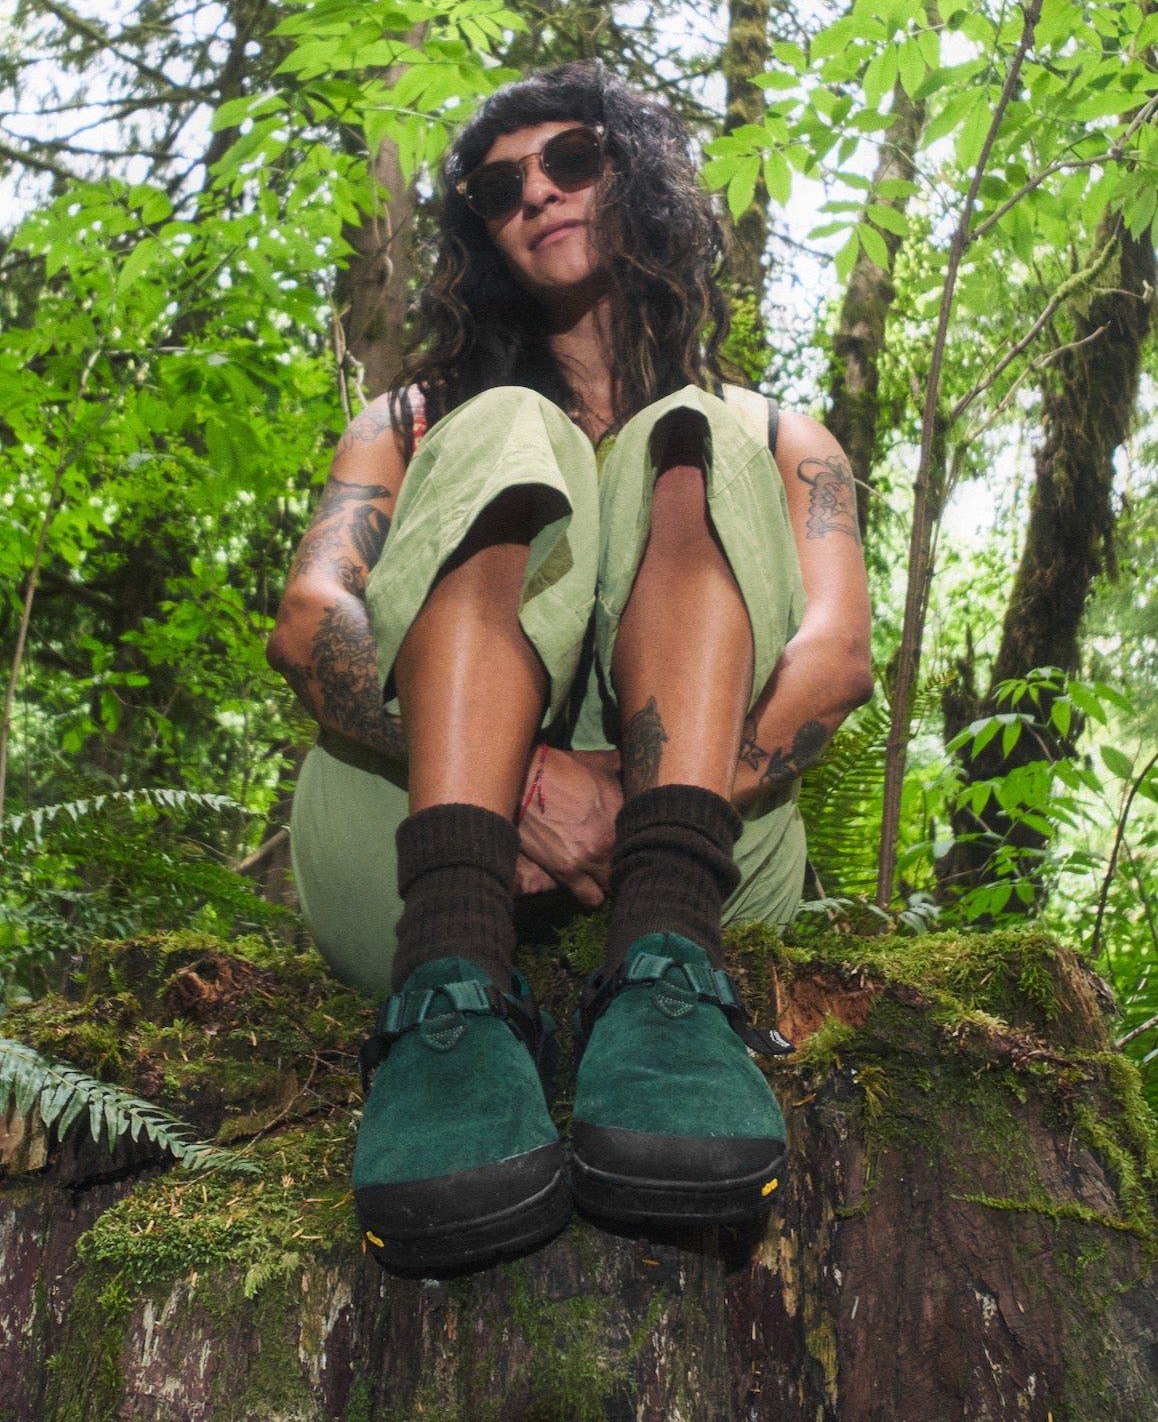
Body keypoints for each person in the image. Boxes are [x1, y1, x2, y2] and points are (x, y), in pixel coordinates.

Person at [267, 62, 873, 1274]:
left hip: (709, 851)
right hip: (405, 845)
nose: (536, 192)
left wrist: (645, 807)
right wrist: (524, 779)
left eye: (572, 161)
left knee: (683, 437)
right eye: (500, 188)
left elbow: (836, 660)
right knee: (508, 425)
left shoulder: (780, 436)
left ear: (636, 177)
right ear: (482, 236)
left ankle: (666, 967)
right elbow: (309, 613)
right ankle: (445, 990)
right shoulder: (417, 420)